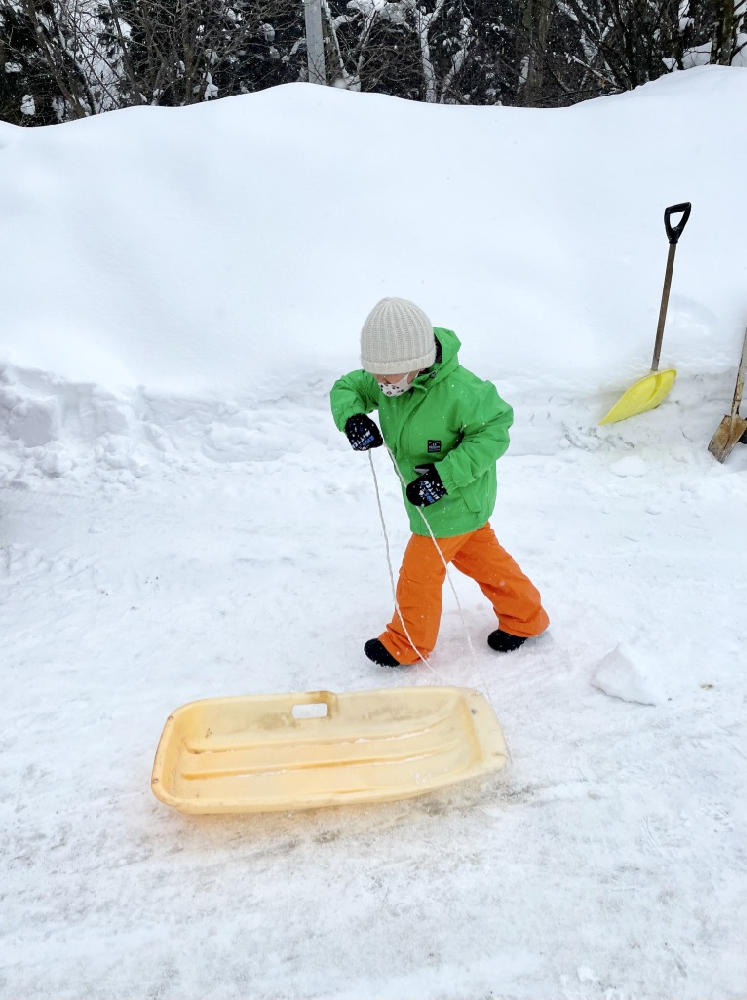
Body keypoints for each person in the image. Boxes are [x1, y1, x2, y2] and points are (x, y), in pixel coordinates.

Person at [330, 297, 549, 667]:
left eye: (387, 376)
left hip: (455, 501)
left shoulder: (462, 391)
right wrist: (352, 417)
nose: (379, 385)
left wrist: (442, 479)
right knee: (485, 562)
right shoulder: (389, 381)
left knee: (419, 573)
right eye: (375, 374)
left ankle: (407, 642)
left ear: (415, 362)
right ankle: (526, 618)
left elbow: (493, 432)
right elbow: (346, 387)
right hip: (441, 506)